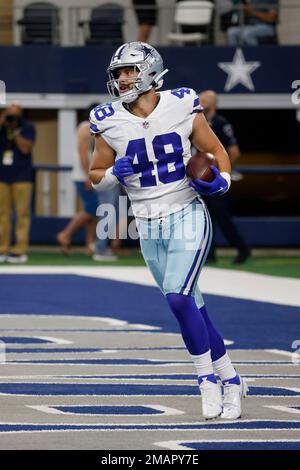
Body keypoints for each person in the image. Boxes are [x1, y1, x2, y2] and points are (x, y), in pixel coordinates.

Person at [89, 41, 248, 420]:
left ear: (149, 72)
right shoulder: (106, 118)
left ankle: (206, 381)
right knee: (192, 306)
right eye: (119, 73)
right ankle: (232, 379)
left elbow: (217, 151)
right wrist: (113, 174)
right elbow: (95, 177)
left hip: (185, 214)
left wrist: (221, 181)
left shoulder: (181, 103)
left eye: (129, 71)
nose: (123, 79)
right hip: (146, 224)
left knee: (179, 300)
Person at [56, 104, 118, 261]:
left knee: (94, 212)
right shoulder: (85, 127)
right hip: (83, 176)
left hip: (87, 175)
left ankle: (90, 245)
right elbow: (83, 154)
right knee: (92, 209)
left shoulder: (92, 128)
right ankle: (65, 234)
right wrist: (87, 176)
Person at [199, 90, 251, 264]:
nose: (200, 102)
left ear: (213, 104)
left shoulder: (220, 123)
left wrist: (223, 171)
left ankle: (242, 248)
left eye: (204, 100)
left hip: (215, 178)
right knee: (204, 217)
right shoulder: (198, 122)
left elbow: (234, 151)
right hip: (200, 178)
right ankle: (210, 253)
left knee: (221, 216)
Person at [0, 103, 36, 263]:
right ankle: (2, 249)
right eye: (9, 113)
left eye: (14, 114)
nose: (11, 117)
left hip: (22, 177)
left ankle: (19, 250)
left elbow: (26, 149)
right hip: (2, 176)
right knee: (2, 215)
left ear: (21, 114)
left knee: (22, 215)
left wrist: (14, 131)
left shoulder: (27, 127)